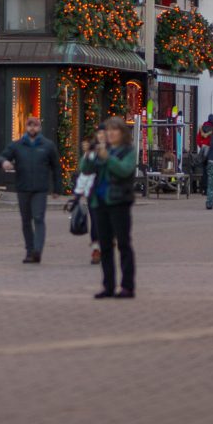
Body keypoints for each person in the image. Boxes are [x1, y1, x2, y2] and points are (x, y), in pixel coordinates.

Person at [82, 116, 138, 298]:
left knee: (123, 244)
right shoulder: (101, 150)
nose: (111, 133)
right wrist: (89, 154)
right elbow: (86, 169)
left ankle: (127, 286)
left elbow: (125, 170)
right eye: (108, 130)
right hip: (99, 202)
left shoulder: (127, 151)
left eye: (115, 130)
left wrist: (108, 159)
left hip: (119, 201)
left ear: (122, 133)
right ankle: (108, 285)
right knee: (105, 245)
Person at [0, 115, 60, 263]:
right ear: (26, 127)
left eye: (35, 125)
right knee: (26, 220)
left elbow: (56, 167)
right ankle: (29, 251)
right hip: (23, 187)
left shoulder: (48, 145)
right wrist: (4, 162)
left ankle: (37, 250)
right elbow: (2, 156)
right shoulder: (17, 145)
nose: (32, 128)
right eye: (30, 125)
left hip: (40, 188)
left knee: (38, 218)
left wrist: (57, 188)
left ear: (39, 127)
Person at [72, 139, 101, 264]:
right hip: (93, 194)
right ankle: (96, 249)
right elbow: (84, 173)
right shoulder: (91, 154)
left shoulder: (114, 151)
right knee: (95, 222)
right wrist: (78, 193)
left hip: (110, 195)